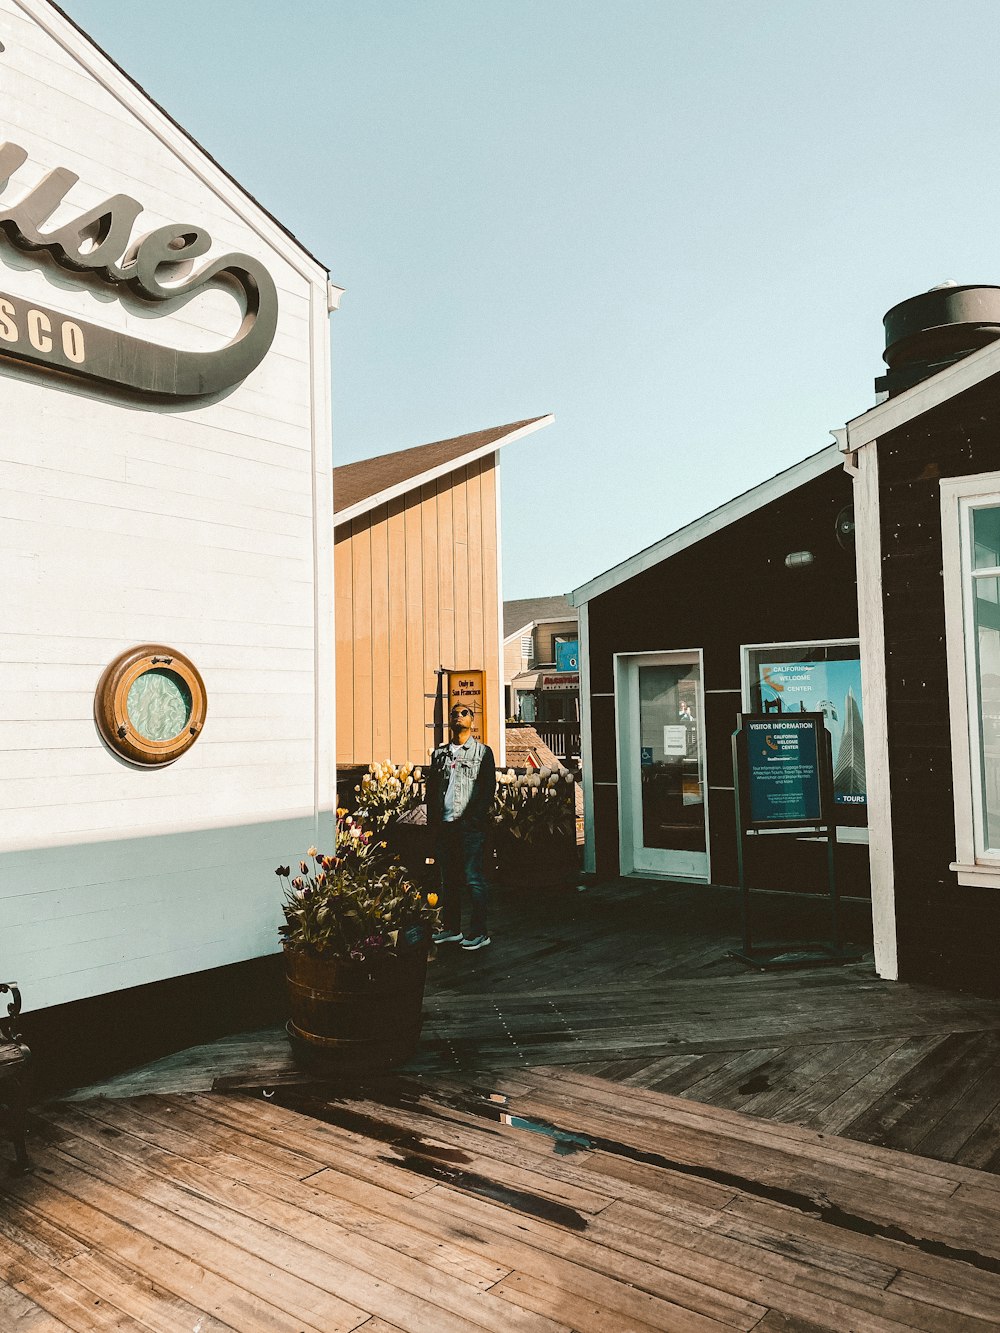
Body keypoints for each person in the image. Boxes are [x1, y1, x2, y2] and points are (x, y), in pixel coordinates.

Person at [425, 703, 496, 951]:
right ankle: (451, 929)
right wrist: (432, 824)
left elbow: (488, 789)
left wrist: (474, 819)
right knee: (449, 880)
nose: (458, 716)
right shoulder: (439, 754)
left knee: (473, 878)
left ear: (472, 719)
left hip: (468, 827)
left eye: (463, 712)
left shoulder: (482, 752)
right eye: (454, 713)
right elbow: (431, 791)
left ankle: (479, 932)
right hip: (445, 826)